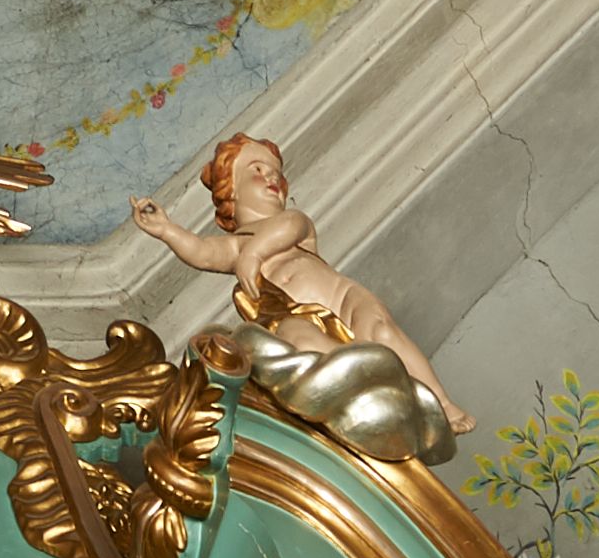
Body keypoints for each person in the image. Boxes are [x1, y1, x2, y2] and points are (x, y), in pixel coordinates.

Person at [130, 130, 473, 433]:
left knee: (381, 328)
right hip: (292, 316)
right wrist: (167, 230)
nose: (271, 177)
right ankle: (368, 385)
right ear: (231, 193)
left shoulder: (293, 223)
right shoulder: (235, 246)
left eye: (276, 173)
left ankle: (442, 403)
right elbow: (202, 252)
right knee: (302, 343)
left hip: (342, 297)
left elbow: (288, 227)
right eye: (257, 170)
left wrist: (254, 255)